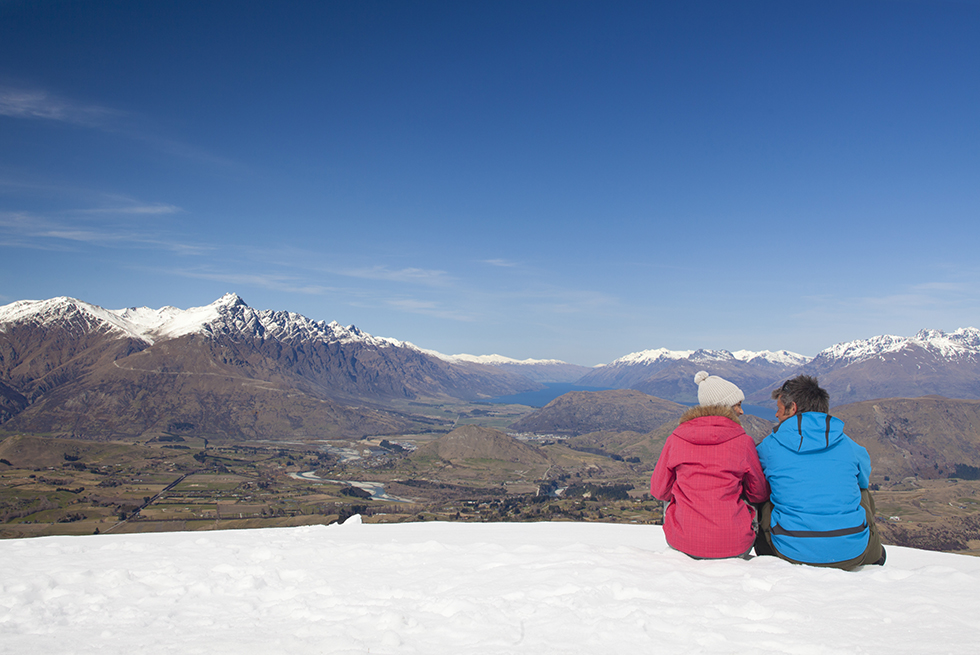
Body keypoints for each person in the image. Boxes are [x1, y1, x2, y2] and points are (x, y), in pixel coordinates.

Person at [754, 375, 885, 569]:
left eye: (779, 409)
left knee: (762, 488)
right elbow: (863, 482)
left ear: (793, 409)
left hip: (789, 552)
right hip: (852, 553)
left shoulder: (769, 448)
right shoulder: (850, 446)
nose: (776, 415)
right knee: (861, 488)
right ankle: (866, 548)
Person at [651, 371, 769, 559]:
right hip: (736, 545)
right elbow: (759, 493)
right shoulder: (743, 441)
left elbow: (659, 490)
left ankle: (688, 531)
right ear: (725, 407)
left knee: (670, 491)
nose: (741, 411)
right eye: (737, 405)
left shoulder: (676, 438)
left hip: (683, 542)